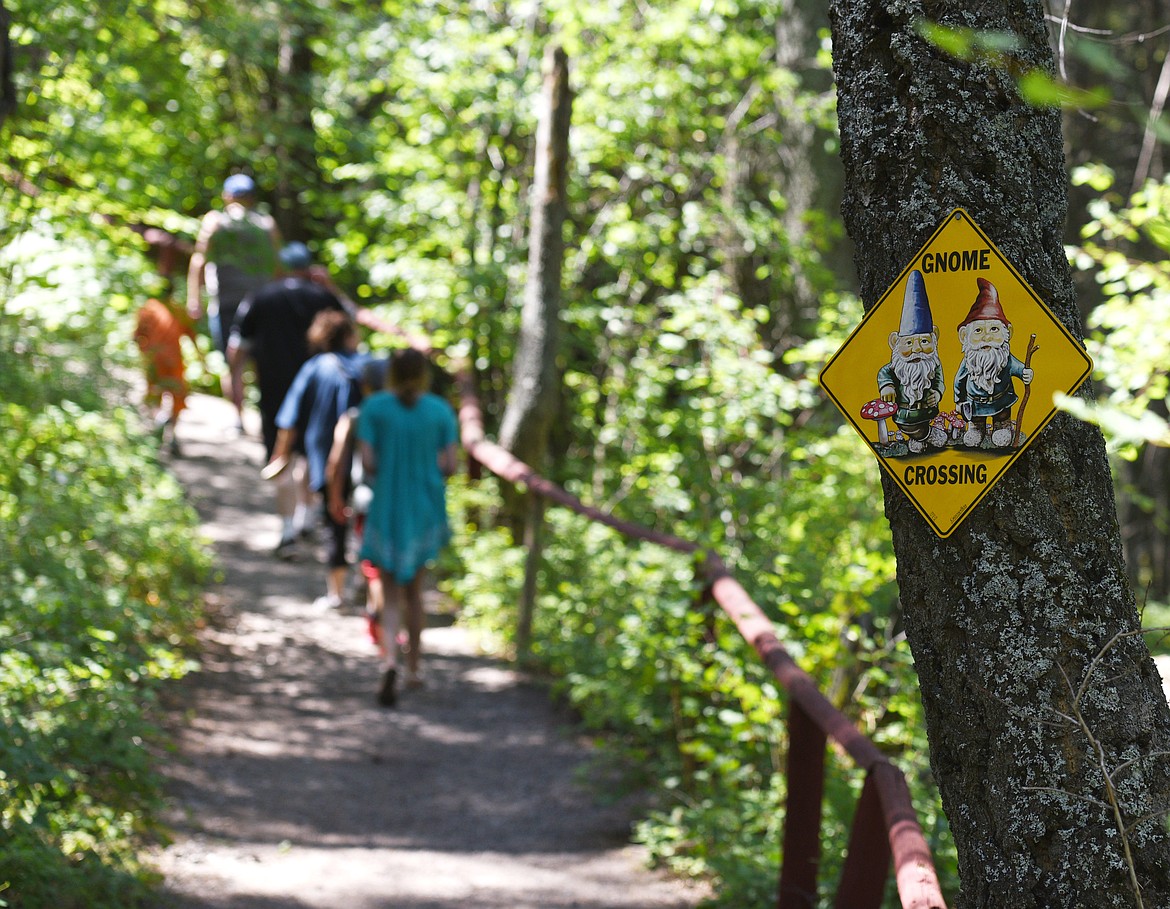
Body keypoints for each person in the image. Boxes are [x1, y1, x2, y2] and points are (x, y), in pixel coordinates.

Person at [357, 347, 459, 707]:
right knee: (416, 591)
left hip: (387, 504)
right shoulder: (440, 411)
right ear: (424, 375)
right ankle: (414, 668)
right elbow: (450, 464)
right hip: (424, 506)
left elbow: (368, 461)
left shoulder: (374, 408)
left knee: (387, 590)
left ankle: (389, 661)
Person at [267, 311, 370, 607]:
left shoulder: (314, 367)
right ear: (350, 335)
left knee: (333, 521)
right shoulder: (368, 366)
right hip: (367, 456)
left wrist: (281, 455)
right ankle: (365, 581)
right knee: (366, 519)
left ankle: (335, 593)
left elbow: (289, 418)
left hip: (326, 456)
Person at [187, 173, 282, 431]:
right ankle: (267, 419)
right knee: (262, 363)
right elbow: (278, 266)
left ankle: (238, 420)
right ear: (252, 198)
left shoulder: (215, 221)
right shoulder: (266, 224)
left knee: (233, 363)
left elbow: (199, 260)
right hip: (262, 303)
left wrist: (193, 299)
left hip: (227, 303)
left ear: (227, 196)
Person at [326, 357, 390, 654]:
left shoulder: (354, 416)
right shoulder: (409, 416)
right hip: (401, 503)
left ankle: (376, 621)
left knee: (373, 567)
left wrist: (335, 496)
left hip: (367, 501)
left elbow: (336, 462)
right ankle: (385, 621)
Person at [132, 293, 203, 456]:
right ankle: (166, 434)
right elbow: (191, 335)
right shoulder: (173, 309)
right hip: (171, 361)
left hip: (157, 360)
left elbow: (136, 336)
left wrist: (145, 355)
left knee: (158, 395)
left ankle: (159, 434)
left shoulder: (149, 308)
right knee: (175, 396)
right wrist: (201, 359)